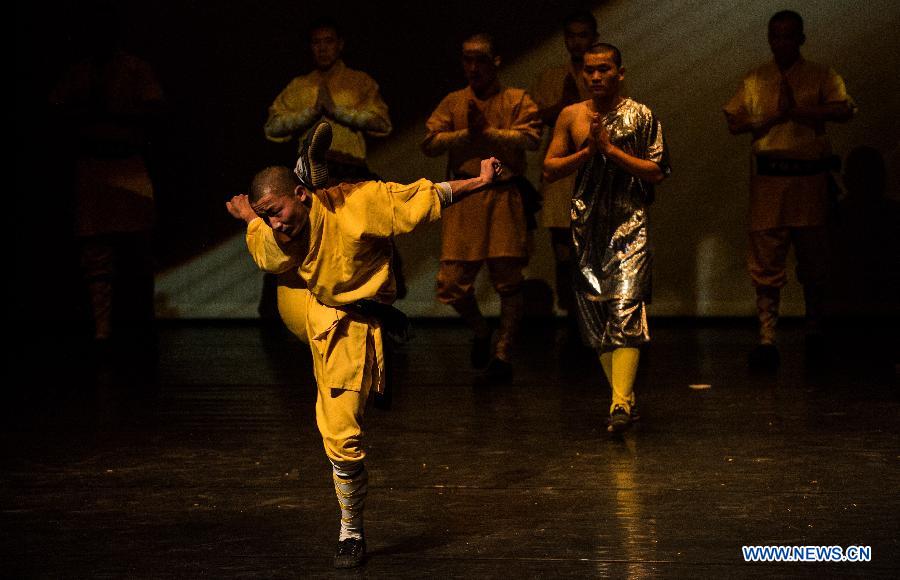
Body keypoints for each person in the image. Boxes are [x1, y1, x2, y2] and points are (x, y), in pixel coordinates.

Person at [227, 121, 505, 568]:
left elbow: (422, 197)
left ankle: (351, 527)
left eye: (276, 211)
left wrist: (480, 181)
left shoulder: (361, 203)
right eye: (267, 215)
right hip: (305, 305)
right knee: (281, 256)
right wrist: (251, 219)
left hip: (345, 317)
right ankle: (351, 528)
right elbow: (266, 241)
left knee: (342, 438)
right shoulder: (274, 233)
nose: (275, 222)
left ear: (298, 194)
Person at [543, 43, 670, 433]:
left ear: (620, 73)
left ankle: (618, 404)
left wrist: (611, 150)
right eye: (590, 70)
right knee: (595, 314)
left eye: (604, 69)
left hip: (629, 223)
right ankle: (624, 398)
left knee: (626, 306)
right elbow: (550, 168)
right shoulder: (572, 115)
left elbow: (657, 170)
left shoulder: (640, 115)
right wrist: (587, 153)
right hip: (587, 226)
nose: (596, 76)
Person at [723, 10, 855, 370]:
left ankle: (814, 330)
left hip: (809, 179)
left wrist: (800, 111)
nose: (781, 42)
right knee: (766, 261)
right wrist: (773, 116)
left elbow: (844, 109)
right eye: (775, 35)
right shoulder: (756, 78)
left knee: (815, 261)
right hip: (770, 179)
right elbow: (734, 120)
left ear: (801, 39)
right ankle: (767, 338)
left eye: (788, 35)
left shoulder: (821, 75)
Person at [422, 33, 541, 381]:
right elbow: (429, 142)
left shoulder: (516, 99)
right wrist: (466, 135)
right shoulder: (454, 101)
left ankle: (503, 354)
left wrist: (489, 132)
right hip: (466, 198)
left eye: (481, 60)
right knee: (451, 283)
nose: (473, 68)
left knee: (508, 279)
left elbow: (532, 138)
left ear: (496, 61)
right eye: (467, 60)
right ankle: (481, 330)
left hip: (503, 198)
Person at [49, 2, 164, 357]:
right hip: (93, 165)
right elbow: (56, 108)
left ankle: (143, 322)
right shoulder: (80, 72)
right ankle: (102, 329)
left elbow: (154, 109)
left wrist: (116, 115)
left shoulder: (134, 69)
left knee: (139, 247)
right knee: (95, 251)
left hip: (127, 162)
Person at [530, 10, 596, 337]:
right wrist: (561, 108)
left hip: (592, 170)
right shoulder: (551, 77)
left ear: (594, 38)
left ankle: (593, 315)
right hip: (559, 173)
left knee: (593, 247)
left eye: (583, 35)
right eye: (572, 35)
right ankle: (572, 315)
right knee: (563, 250)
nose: (577, 42)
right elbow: (533, 117)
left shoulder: (602, 74)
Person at [263, 18, 391, 179]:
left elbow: (382, 123)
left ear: (340, 44)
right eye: (316, 42)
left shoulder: (359, 81)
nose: (322, 48)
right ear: (310, 47)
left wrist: (338, 112)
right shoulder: (298, 86)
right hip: (310, 172)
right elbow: (272, 127)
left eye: (329, 41)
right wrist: (310, 114)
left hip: (351, 168)